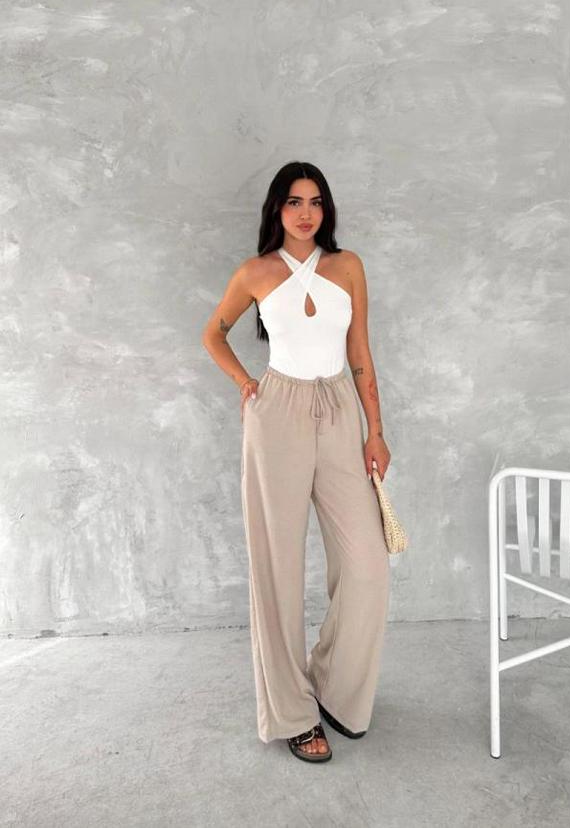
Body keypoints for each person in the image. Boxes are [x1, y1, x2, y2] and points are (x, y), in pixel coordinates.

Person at [201, 161, 391, 763]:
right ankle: (291, 713)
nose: (305, 213)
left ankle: (332, 686)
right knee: (277, 568)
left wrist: (375, 431)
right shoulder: (255, 272)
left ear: (325, 209)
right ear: (276, 210)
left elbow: (360, 351)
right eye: (293, 202)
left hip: (339, 410)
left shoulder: (347, 266)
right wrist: (245, 384)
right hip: (277, 412)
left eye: (314, 202)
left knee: (368, 566)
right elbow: (213, 334)